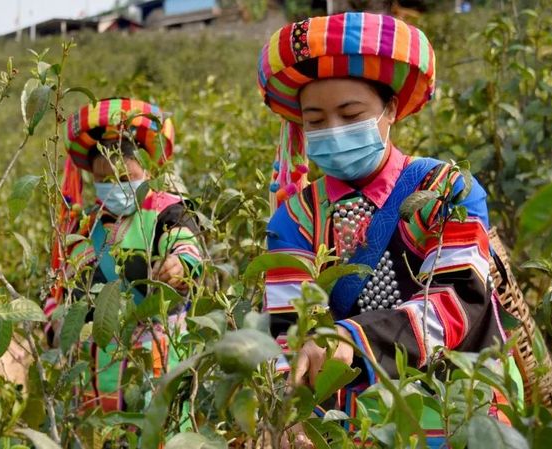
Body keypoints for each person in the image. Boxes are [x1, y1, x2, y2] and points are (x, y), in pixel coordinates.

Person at [257, 12, 519, 445]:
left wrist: (352, 337)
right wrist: (290, 408)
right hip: (349, 425)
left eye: (350, 113)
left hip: (455, 409)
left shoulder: (446, 190)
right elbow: (286, 324)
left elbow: (459, 300)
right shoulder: (295, 218)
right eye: (316, 121)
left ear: (391, 108)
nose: (333, 131)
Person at [45, 98, 203, 412]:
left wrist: (177, 265)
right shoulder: (83, 225)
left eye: (125, 178)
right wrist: (57, 323)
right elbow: (59, 285)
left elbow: (186, 248)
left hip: (157, 357)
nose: (114, 187)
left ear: (145, 169)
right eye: (104, 181)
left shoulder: (168, 210)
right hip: (96, 366)